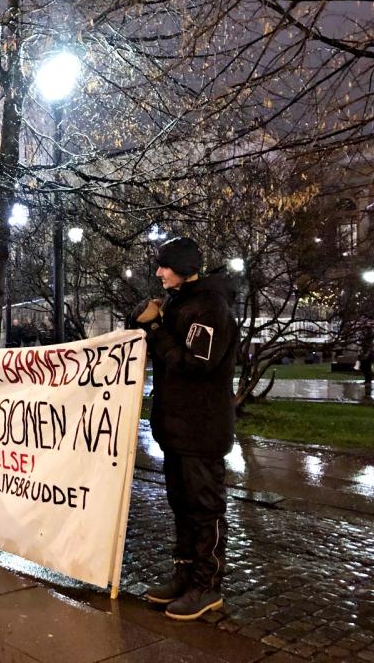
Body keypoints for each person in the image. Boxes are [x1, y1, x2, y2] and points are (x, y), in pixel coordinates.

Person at [128, 237, 238, 621]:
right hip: (176, 427)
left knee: (204, 507)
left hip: (201, 429)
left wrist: (157, 329)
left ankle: (207, 585)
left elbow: (196, 364)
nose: (159, 272)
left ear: (184, 268)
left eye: (165, 266)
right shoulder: (178, 302)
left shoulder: (210, 307)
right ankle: (185, 575)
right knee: (181, 505)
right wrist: (145, 322)